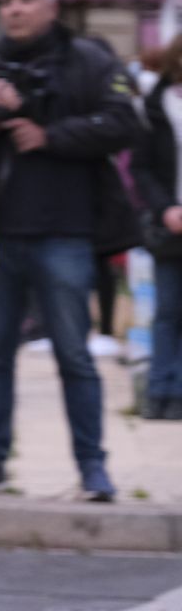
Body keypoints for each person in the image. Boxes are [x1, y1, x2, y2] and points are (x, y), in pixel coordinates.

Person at [0, 0, 138, 502]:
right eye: (6, 1)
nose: (14, 9)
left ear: (52, 6)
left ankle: (93, 469)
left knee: (74, 355)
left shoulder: (89, 61)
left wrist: (50, 135)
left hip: (67, 235)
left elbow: (126, 123)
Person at [129, 33, 182, 420]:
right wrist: (165, 208)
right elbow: (141, 166)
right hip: (171, 222)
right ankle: (158, 389)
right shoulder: (156, 104)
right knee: (166, 310)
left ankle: (176, 390)